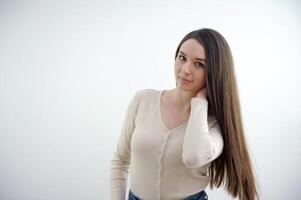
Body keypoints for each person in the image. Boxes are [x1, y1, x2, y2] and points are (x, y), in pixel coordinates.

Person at [110, 28, 260, 200]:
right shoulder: (143, 100)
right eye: (182, 58)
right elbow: (120, 160)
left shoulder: (214, 127)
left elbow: (193, 157)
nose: (186, 69)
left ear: (215, 72)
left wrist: (200, 101)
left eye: (199, 64)